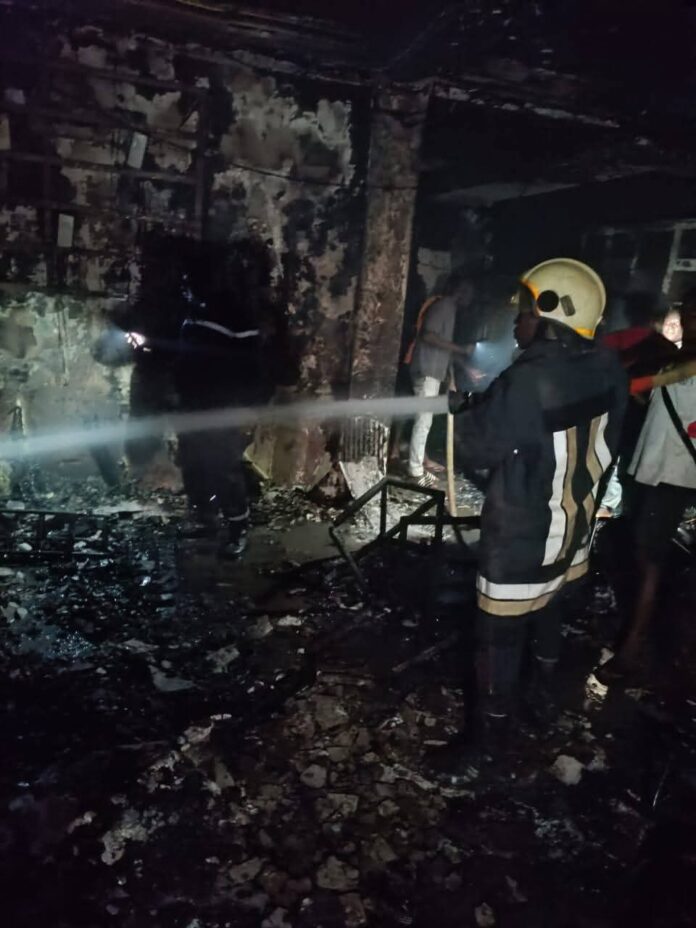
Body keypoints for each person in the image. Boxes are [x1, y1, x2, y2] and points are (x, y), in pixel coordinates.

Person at [436, 258, 628, 770]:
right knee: (549, 608)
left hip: (523, 536)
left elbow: (476, 448)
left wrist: (466, 411)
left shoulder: (528, 380)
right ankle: (542, 696)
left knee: (496, 638)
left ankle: (487, 746)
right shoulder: (608, 367)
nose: (518, 321)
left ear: (549, 316)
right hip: (574, 529)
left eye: (524, 312)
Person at [598, 293, 696, 681]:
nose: (688, 320)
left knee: (648, 555)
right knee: (643, 552)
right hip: (655, 468)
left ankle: (633, 652)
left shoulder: (682, 361)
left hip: (673, 474)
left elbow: (637, 384)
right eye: (687, 313)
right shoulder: (673, 356)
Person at [175, 241, 267, 559]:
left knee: (224, 468)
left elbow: (252, 367)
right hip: (192, 404)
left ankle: (237, 528)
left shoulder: (235, 314)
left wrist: (247, 408)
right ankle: (205, 519)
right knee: (193, 464)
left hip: (221, 407)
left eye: (189, 278)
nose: (185, 284)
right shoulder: (195, 311)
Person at [405, 272, 479, 486]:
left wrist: (453, 375)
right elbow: (429, 336)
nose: (471, 298)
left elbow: (444, 347)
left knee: (424, 420)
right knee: (423, 420)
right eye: (470, 293)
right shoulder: (444, 306)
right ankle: (415, 470)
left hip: (433, 371)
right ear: (461, 291)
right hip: (426, 369)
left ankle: (418, 464)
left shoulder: (450, 309)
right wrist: (461, 349)